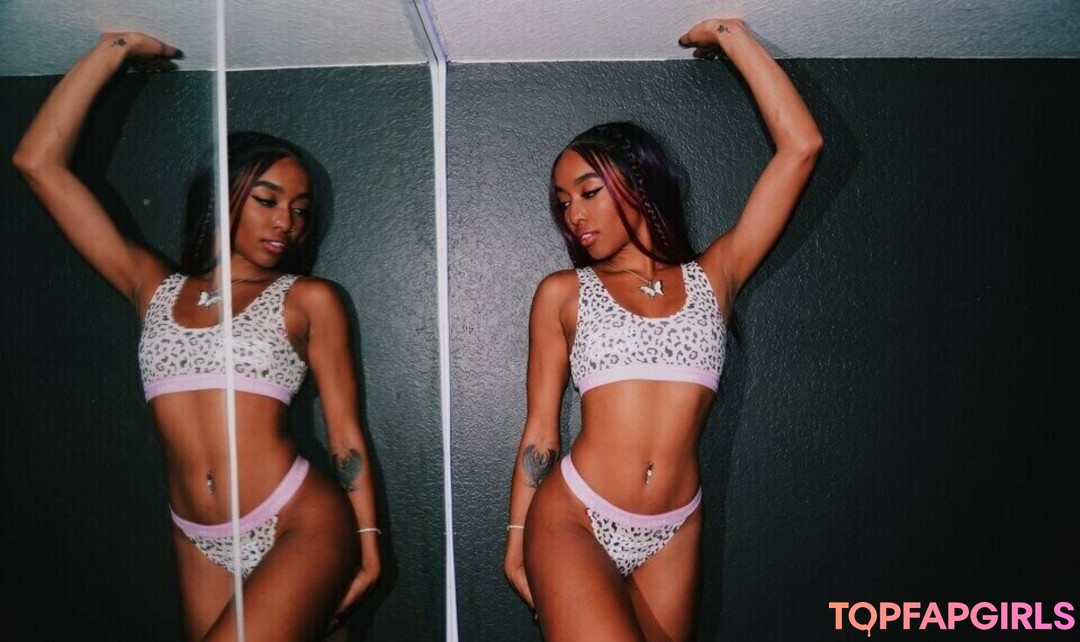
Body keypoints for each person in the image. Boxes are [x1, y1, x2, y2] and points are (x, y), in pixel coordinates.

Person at [13, 32, 381, 641]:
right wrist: (115, 48)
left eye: (300, 209)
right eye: (267, 200)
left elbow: (345, 436)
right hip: (195, 536)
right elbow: (37, 163)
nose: (286, 222)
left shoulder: (308, 299)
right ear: (224, 196)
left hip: (298, 519)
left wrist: (368, 546)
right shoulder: (152, 287)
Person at [502, 17, 823, 641]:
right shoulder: (564, 294)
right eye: (563, 202)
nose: (574, 214)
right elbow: (540, 430)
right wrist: (517, 541)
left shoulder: (716, 276)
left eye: (588, 191)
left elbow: (802, 147)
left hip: (675, 529)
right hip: (574, 517)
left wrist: (729, 34)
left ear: (637, 182)